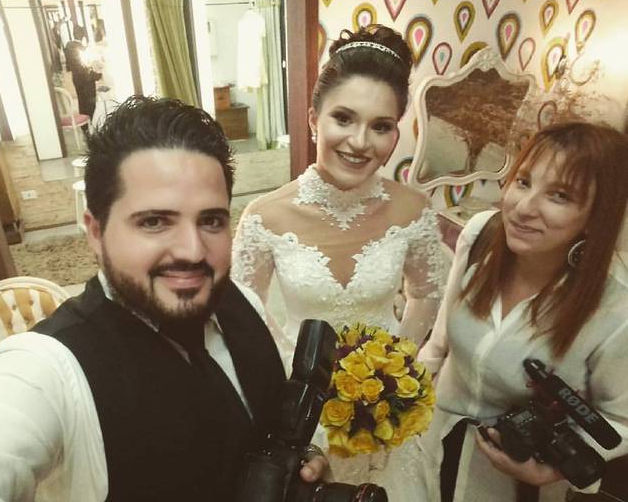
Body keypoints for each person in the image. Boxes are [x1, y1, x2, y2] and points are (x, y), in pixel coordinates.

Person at [0, 96, 327, 501]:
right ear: (95, 231)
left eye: (211, 220)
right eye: (155, 221)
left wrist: (304, 459)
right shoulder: (50, 368)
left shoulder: (243, 301)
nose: (192, 250)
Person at [231, 25, 446, 495]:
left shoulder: (414, 210)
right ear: (313, 119)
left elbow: (427, 295)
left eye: (381, 126)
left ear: (396, 131)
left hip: (386, 410)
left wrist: (394, 368)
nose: (360, 142)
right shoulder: (264, 217)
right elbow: (245, 314)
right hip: (302, 412)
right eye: (344, 118)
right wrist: (300, 375)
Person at [413, 121, 628, 501]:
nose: (524, 208)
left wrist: (554, 469)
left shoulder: (614, 307)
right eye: (524, 182)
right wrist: (407, 392)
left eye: (559, 196)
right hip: (430, 442)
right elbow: (441, 338)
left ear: (596, 217)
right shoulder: (481, 235)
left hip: (511, 481)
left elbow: (622, 419)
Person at [64, 25, 101, 122]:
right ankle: (89, 123)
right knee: (90, 104)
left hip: (76, 79)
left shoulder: (69, 47)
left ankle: (84, 125)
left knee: (82, 102)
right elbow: (85, 68)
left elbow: (72, 66)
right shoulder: (82, 49)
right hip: (86, 81)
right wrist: (97, 76)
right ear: (83, 36)